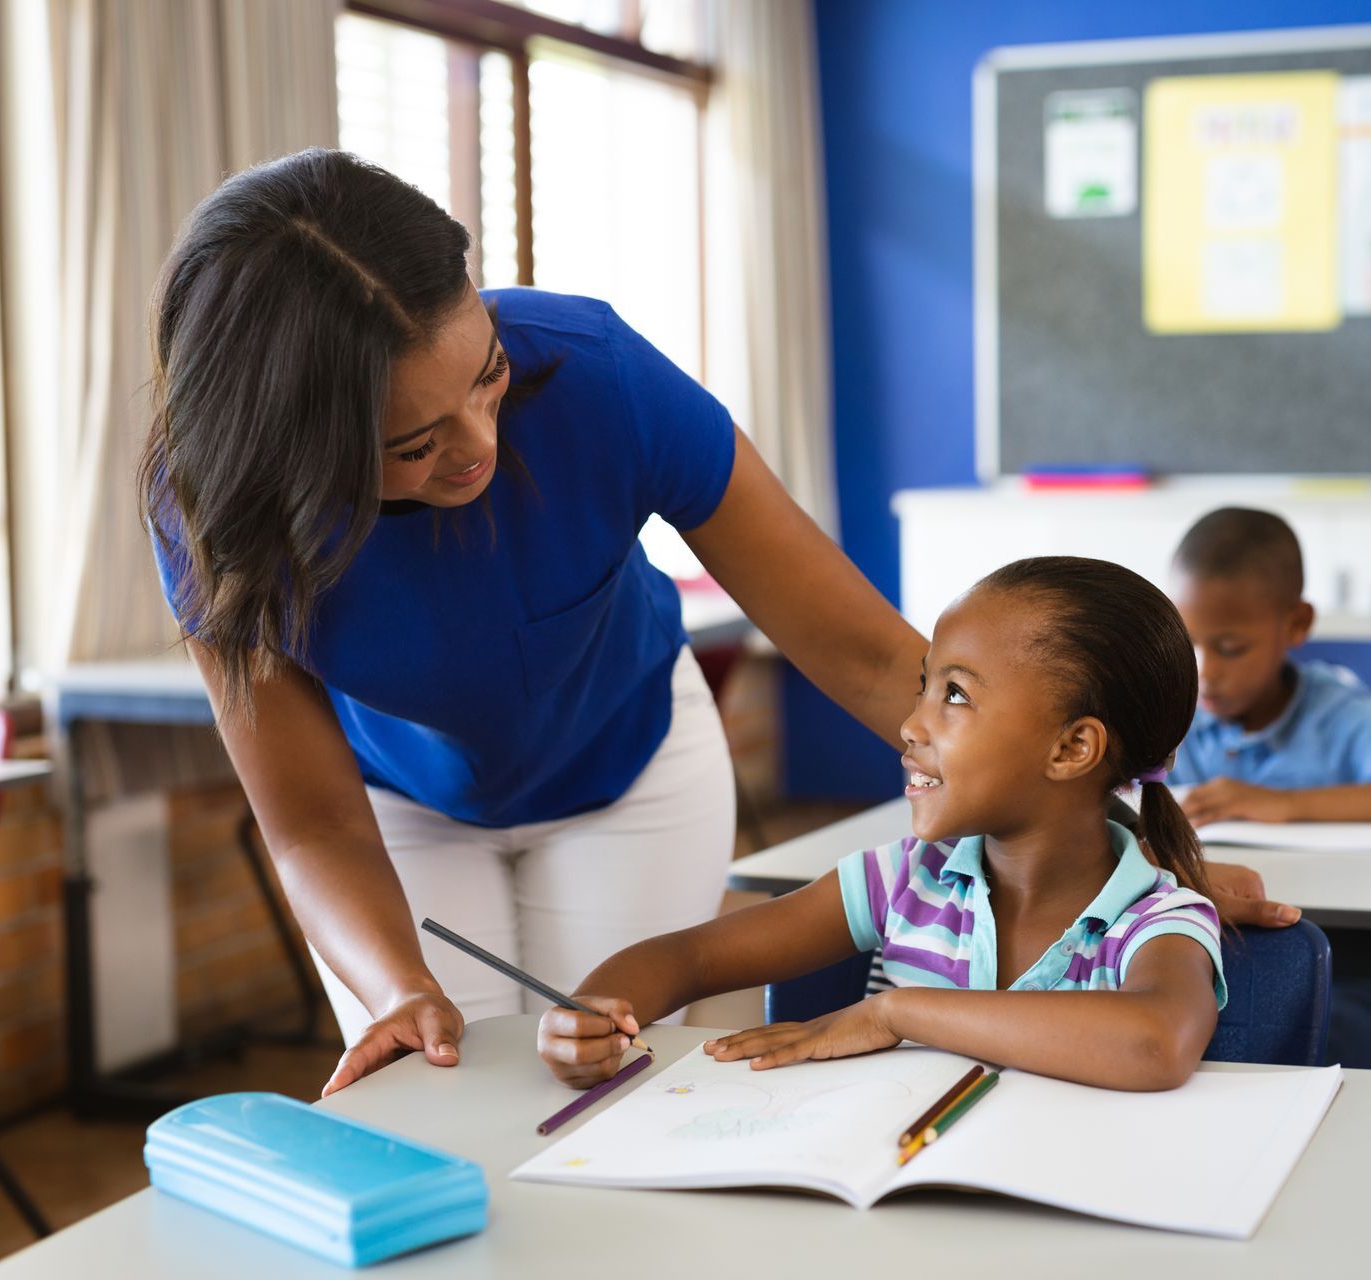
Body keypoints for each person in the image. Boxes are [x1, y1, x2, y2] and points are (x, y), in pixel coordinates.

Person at [142, 149, 931, 1097]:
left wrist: (1070, 790)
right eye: (414, 443)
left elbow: (870, 653)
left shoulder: (597, 373)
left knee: (604, 1097)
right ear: (294, 448)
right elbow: (311, 825)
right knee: (446, 1101)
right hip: (396, 809)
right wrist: (398, 988)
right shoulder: (215, 512)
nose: (481, 443)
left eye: (489, 374)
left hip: (630, 771)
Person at [538, 557, 1226, 1093]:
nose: (911, 723)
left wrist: (897, 1013)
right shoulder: (902, 882)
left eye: (954, 694)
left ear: (1072, 748)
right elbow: (689, 958)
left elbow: (1154, 1043)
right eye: (924, 684)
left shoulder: (1155, 920)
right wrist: (595, 1014)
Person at [1165, 507, 1371, 1068]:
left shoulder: (1335, 717)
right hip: (1190, 958)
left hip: (1340, 969)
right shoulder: (1171, 710)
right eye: (1187, 642)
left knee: (1333, 1042)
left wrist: (1285, 805)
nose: (1205, 671)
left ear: (1296, 625)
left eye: (1229, 647)